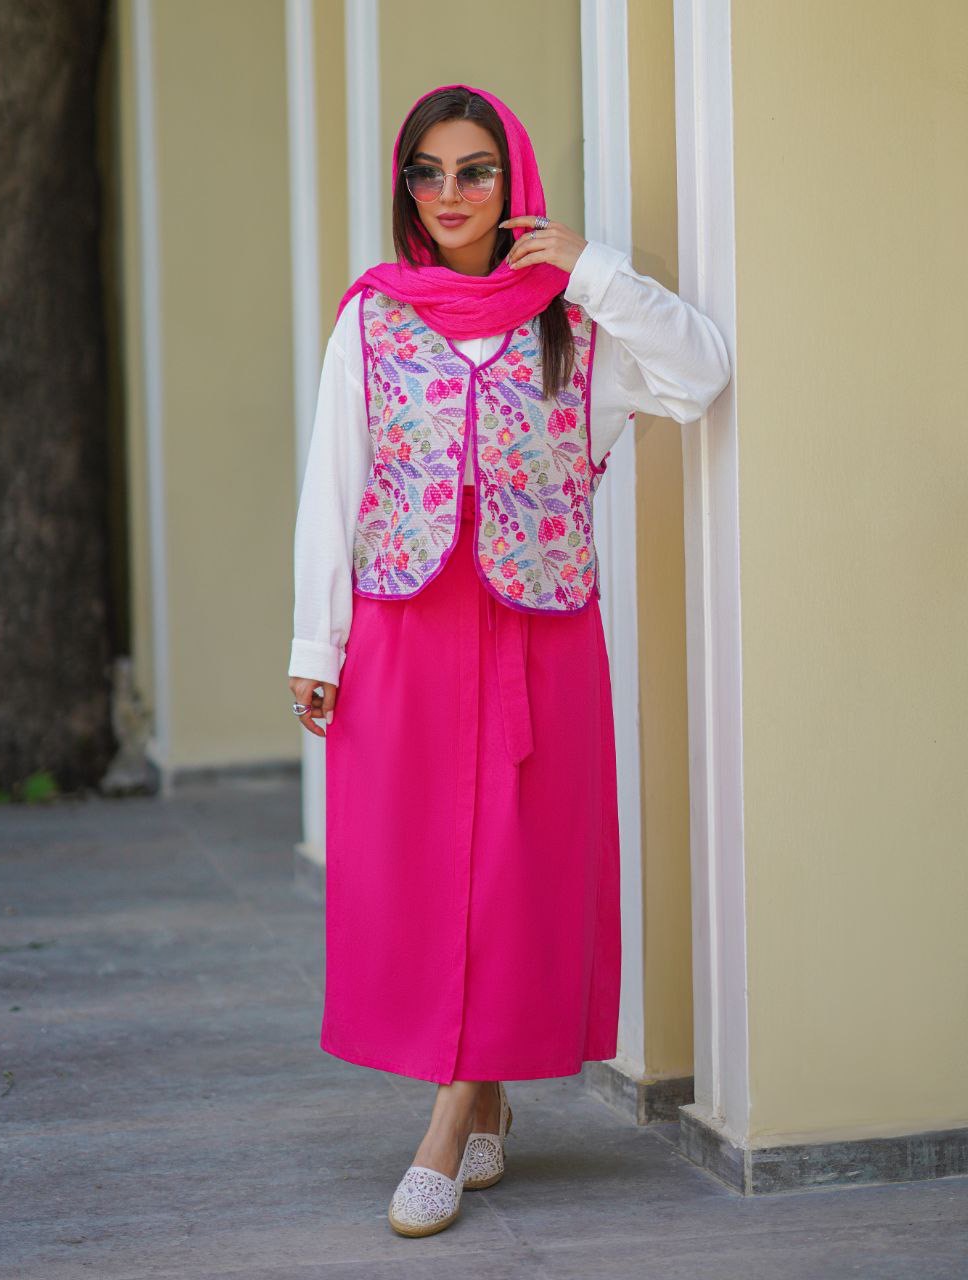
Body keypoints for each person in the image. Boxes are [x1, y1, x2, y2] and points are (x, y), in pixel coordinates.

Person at [287, 82, 731, 1237]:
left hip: (540, 635)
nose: (450, 194)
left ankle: (450, 1118)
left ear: (513, 181)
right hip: (405, 629)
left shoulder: (573, 320)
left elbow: (701, 373)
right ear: (405, 187)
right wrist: (314, 639)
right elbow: (333, 479)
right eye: (427, 172)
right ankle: (478, 1094)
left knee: (512, 872)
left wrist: (591, 269)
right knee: (428, 872)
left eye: (474, 170)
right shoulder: (373, 318)